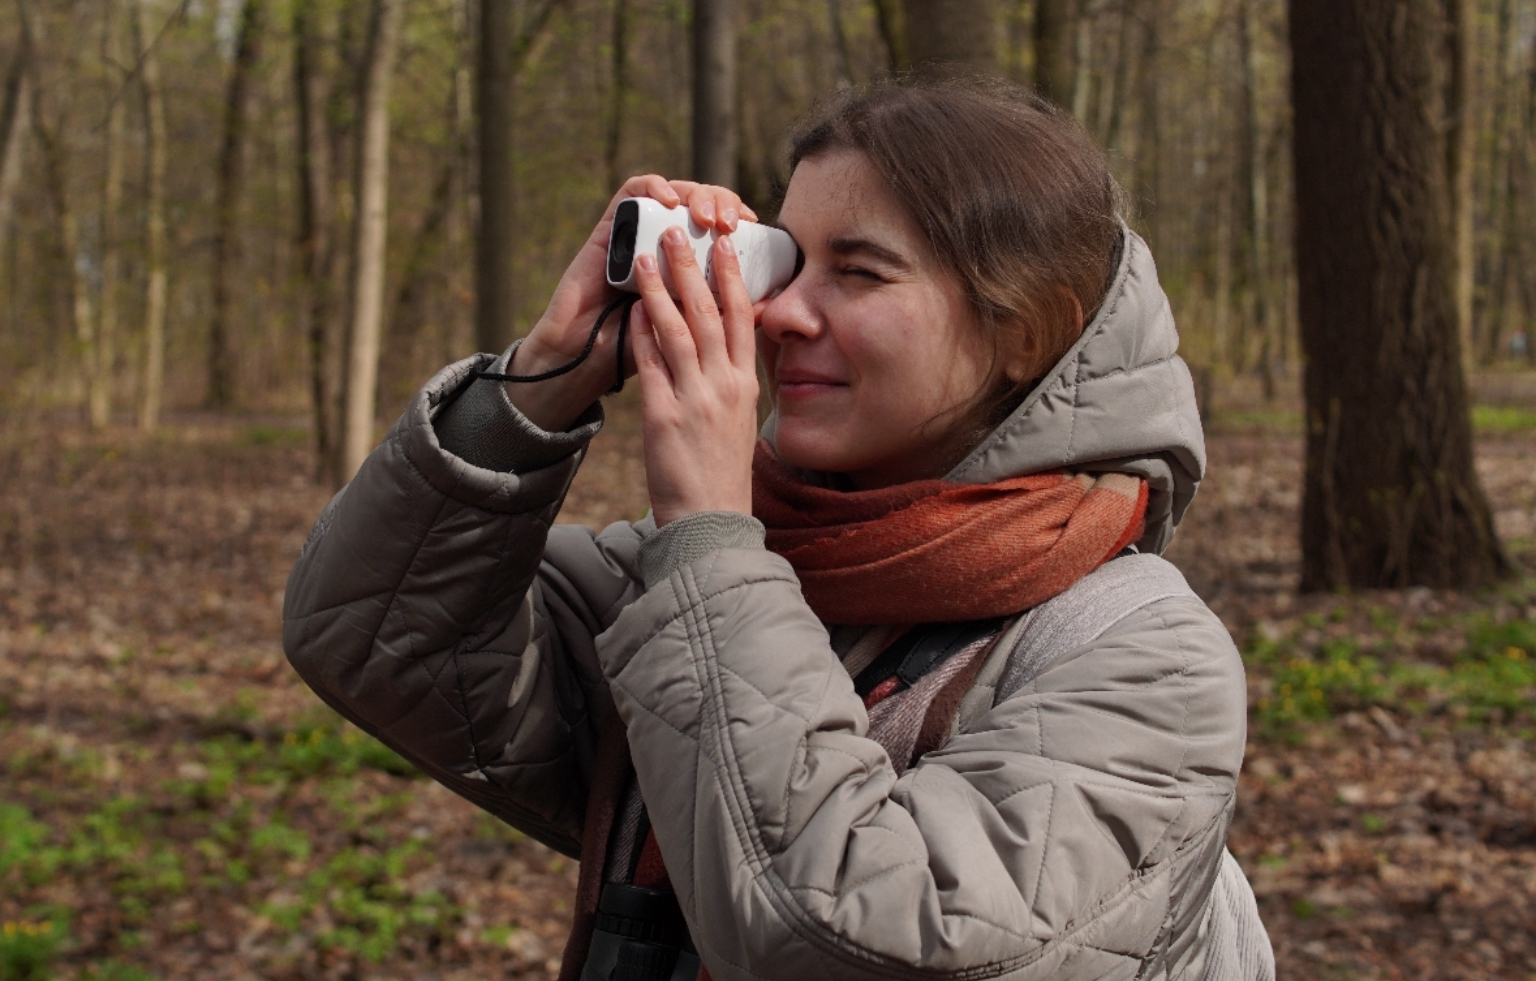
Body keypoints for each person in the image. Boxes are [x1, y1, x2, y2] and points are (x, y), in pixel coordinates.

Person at [284, 78, 1273, 981]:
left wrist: (711, 536)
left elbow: (848, 942)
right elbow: (379, 635)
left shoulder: (1145, 661)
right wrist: (546, 378)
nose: (778, 314)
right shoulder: (735, 581)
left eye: (860, 272)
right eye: (786, 265)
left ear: (1026, 332)